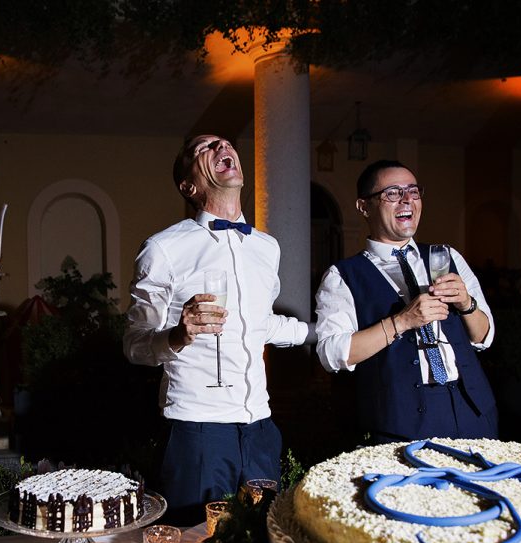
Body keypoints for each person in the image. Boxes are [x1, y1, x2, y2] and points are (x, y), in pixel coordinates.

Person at [123, 134, 311, 521]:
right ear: (189, 186)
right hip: (198, 430)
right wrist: (178, 335)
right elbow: (134, 345)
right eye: (203, 149)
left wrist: (321, 333)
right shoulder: (163, 249)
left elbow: (260, 323)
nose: (221, 147)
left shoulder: (266, 247)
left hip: (260, 428)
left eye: (224, 143)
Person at [315, 159, 497, 443]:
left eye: (413, 191)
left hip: (471, 410)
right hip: (401, 421)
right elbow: (332, 354)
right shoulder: (343, 276)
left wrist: (466, 304)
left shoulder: (448, 257)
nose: (406, 200)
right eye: (392, 193)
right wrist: (401, 321)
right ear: (364, 206)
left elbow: (485, 336)